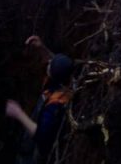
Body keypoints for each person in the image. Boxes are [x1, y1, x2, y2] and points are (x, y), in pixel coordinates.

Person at [5, 35, 75, 164]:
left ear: (53, 76)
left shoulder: (55, 106)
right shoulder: (69, 78)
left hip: (36, 153)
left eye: (50, 66)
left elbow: (41, 136)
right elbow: (58, 63)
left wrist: (18, 113)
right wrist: (42, 48)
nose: (48, 62)